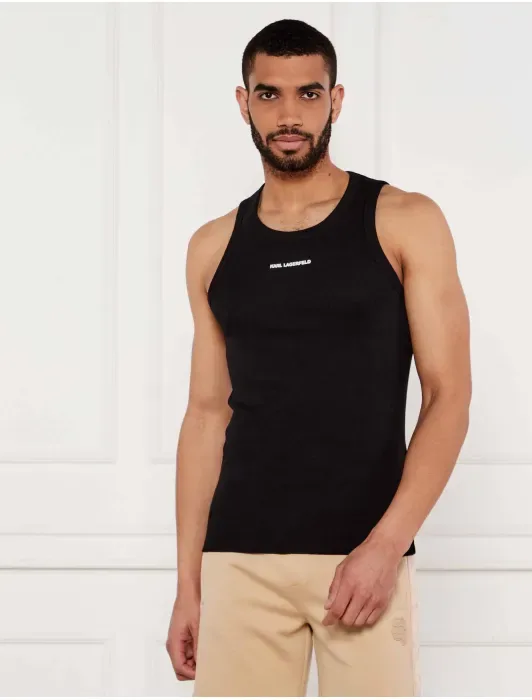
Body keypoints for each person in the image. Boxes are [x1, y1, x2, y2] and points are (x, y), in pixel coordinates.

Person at [166, 17, 471, 697]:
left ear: (335, 100)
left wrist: (386, 545)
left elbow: (448, 395)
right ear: (243, 103)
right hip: (238, 559)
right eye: (269, 94)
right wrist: (190, 582)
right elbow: (206, 415)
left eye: (308, 94)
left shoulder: (403, 220)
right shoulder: (213, 246)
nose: (289, 115)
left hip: (363, 556)